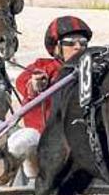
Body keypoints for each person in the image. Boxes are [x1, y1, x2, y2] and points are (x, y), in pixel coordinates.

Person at [5, 16, 93, 178]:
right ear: (56, 47)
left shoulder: (93, 69)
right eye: (70, 42)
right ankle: (16, 172)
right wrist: (36, 85)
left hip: (82, 144)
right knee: (22, 140)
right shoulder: (42, 67)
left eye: (82, 42)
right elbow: (23, 82)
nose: (78, 47)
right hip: (43, 142)